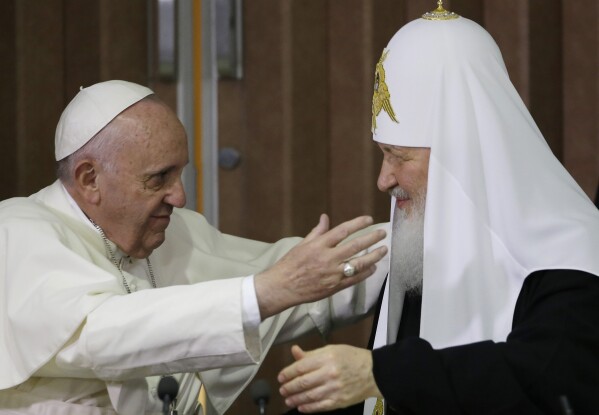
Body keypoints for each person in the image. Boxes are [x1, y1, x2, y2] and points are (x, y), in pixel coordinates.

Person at [277, 3, 599, 414]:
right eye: (383, 154)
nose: (383, 179)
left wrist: (381, 373)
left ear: (460, 155)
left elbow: (549, 381)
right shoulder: (425, 244)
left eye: (399, 157)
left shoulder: (572, 258)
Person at [0, 80, 390, 414]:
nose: (181, 197)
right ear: (89, 179)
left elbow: (290, 281)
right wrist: (268, 291)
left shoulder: (174, 231)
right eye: (159, 178)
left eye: (180, 172)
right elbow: (100, 334)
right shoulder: (19, 230)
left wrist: (416, 240)